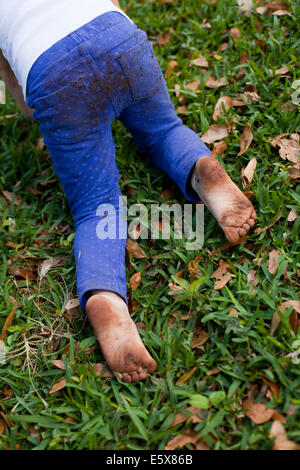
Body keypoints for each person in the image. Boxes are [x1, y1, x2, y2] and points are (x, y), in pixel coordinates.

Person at [0, 0, 256, 383]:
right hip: (116, 35)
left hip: (53, 70)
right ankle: (200, 167)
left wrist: (40, 111)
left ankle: (108, 299)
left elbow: (13, 80)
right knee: (164, 131)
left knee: (95, 206)